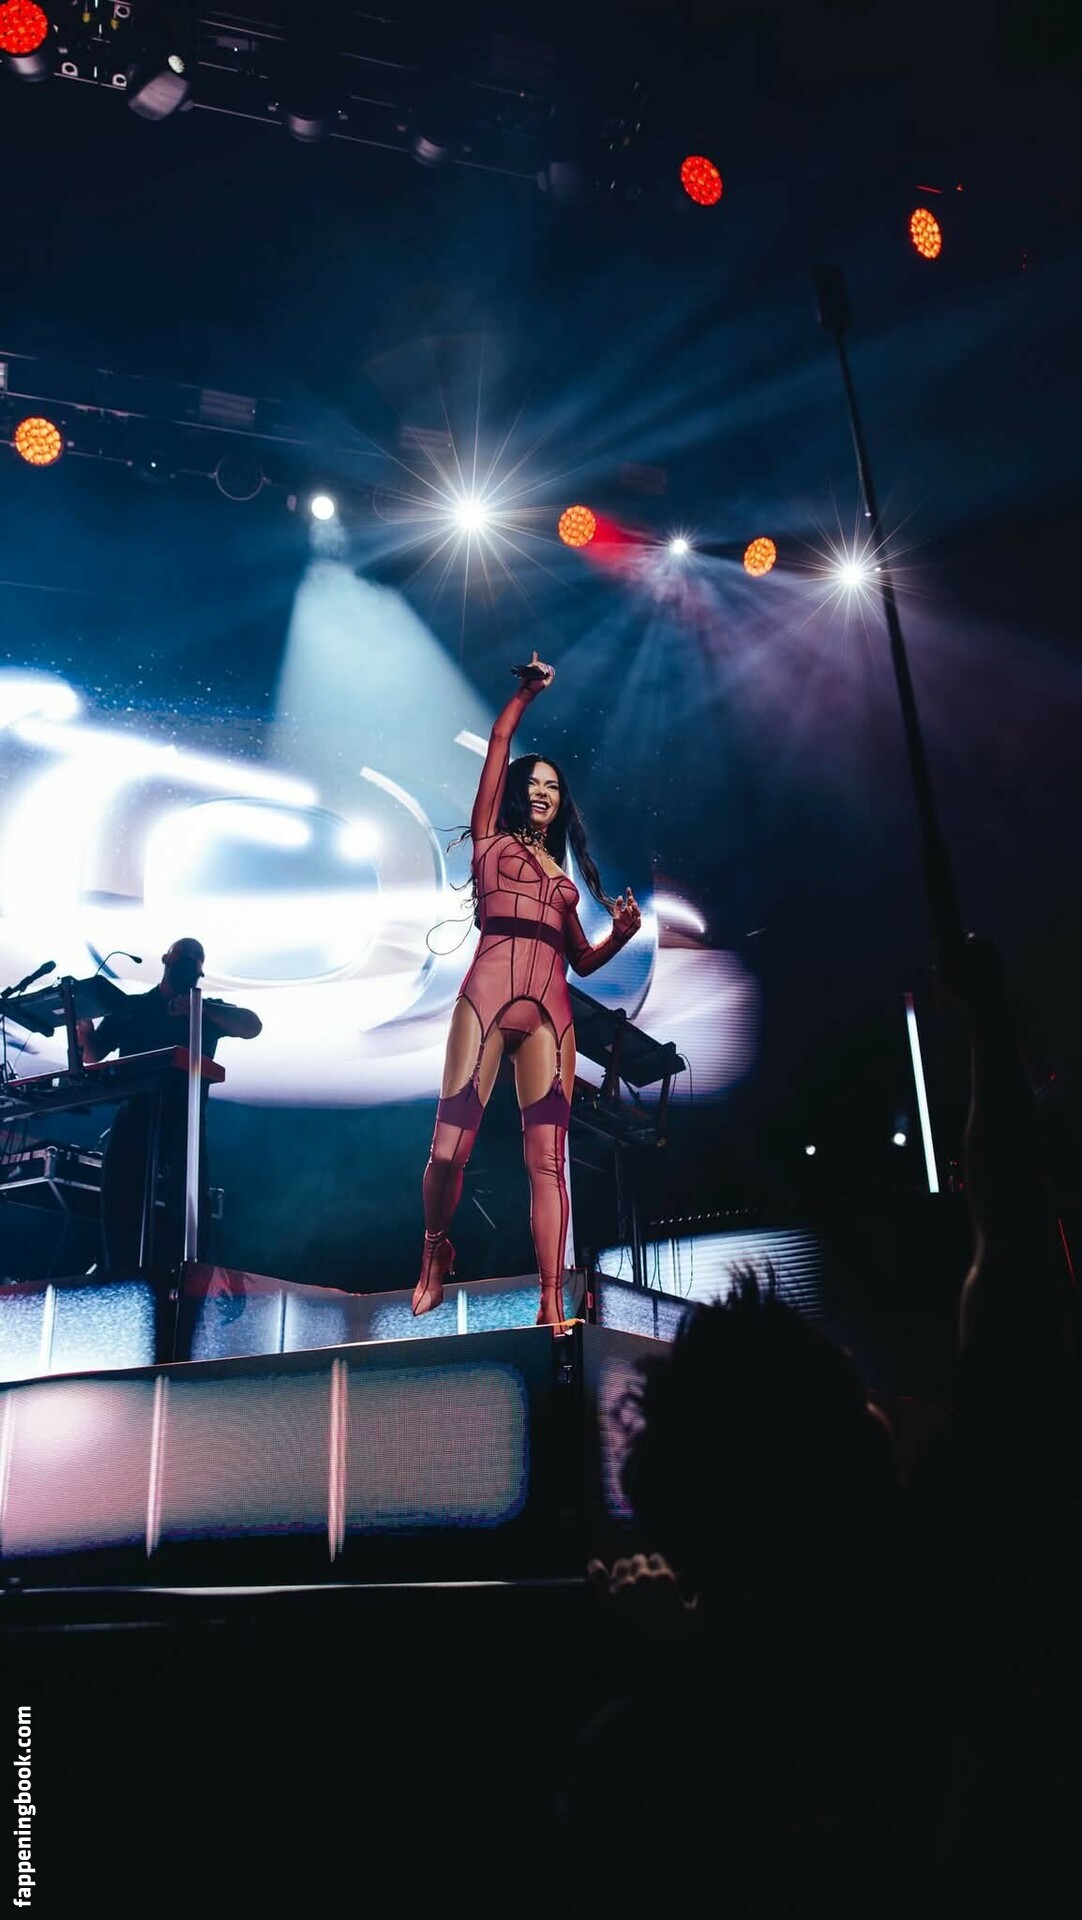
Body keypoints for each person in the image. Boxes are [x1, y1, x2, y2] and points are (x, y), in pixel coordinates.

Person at [413, 652, 641, 1325]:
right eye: (534, 783)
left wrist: (621, 935)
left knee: (547, 1162)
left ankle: (549, 1300)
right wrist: (526, 695)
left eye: (554, 787)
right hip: (486, 1000)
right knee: (448, 1151)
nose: (544, 792)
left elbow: (583, 961)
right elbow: (499, 741)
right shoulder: (489, 838)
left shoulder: (562, 878)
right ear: (517, 790)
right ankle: (435, 1248)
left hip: (550, 1014)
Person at [76, 937, 262, 1273]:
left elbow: (251, 1026)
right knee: (120, 1195)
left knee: (188, 1203)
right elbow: (93, 1054)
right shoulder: (132, 1007)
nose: (188, 963)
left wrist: (198, 1009)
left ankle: (189, 1278)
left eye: (195, 960)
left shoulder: (207, 1009)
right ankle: (120, 1275)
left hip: (183, 1117)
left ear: (201, 971)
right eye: (183, 956)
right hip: (135, 1113)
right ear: (166, 958)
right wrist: (83, 1027)